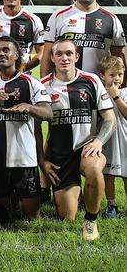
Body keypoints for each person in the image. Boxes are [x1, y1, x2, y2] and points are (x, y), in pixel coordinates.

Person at [40, 38, 116, 241]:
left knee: (93, 169)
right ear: (52, 58)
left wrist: (99, 141)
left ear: (77, 56)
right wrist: (43, 162)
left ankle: (91, 221)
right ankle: (81, 195)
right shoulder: (42, 87)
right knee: (67, 217)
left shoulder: (91, 81)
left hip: (87, 148)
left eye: (69, 53)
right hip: (60, 155)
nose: (64, 58)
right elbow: (34, 130)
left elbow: (110, 119)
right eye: (59, 54)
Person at [0, 36, 52, 224]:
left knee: (31, 218)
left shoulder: (31, 83)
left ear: (16, 55)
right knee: (0, 215)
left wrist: (29, 107)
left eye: (6, 50)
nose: (0, 54)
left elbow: (48, 113)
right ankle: (10, 200)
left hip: (25, 160)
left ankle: (22, 199)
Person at [40, 0, 125, 77]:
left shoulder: (111, 19)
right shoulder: (58, 17)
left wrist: (121, 90)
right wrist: (44, 87)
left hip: (99, 88)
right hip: (64, 88)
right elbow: (47, 57)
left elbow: (118, 60)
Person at [98, 55, 127, 218]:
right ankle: (112, 205)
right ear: (102, 75)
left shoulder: (124, 93)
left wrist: (116, 96)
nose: (116, 78)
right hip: (108, 140)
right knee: (108, 173)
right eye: (112, 75)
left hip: (125, 139)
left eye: (120, 74)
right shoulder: (99, 92)